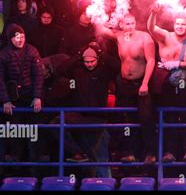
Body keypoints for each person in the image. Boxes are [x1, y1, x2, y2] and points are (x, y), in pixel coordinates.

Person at [97, 14, 156, 164]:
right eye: (127, 24)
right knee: (128, 119)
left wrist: (145, 83)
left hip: (141, 83)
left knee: (146, 118)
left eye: (132, 23)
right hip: (124, 84)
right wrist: (98, 10)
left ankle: (150, 152)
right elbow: (101, 28)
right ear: (121, 25)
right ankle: (131, 152)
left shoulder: (145, 38)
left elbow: (151, 61)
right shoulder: (119, 36)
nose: (130, 26)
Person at [147, 5, 186, 163]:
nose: (179, 26)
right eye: (177, 23)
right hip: (166, 85)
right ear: (173, 25)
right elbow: (150, 27)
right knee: (168, 117)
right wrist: (153, 12)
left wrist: (177, 64)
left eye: (183, 24)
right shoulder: (165, 36)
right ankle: (169, 152)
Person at [54, 43, 119, 176]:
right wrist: (80, 54)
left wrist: (100, 53)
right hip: (80, 116)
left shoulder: (103, 70)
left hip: (98, 118)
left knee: (100, 157)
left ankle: (105, 184)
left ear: (98, 60)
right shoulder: (78, 70)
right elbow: (61, 69)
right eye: (86, 61)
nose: (89, 64)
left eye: (92, 61)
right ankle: (78, 153)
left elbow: (118, 66)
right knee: (55, 124)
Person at [0, 24, 44, 162]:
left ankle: (35, 163)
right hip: (13, 99)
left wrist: (37, 96)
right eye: (17, 37)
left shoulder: (32, 51)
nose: (20, 40)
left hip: (30, 96)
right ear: (10, 39)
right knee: (14, 131)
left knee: (34, 131)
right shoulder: (3, 54)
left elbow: (39, 75)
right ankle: (15, 162)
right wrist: (5, 100)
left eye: (22, 37)